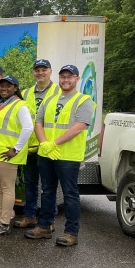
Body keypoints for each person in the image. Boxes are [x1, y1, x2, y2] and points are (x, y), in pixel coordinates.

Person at [25, 64, 94, 247]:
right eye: (63, 77)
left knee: (70, 194)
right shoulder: (50, 100)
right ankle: (44, 226)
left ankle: (71, 232)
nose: (66, 80)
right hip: (47, 153)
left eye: (69, 77)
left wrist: (54, 143)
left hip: (68, 156)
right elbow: (38, 122)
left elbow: (80, 126)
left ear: (77, 79)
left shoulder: (83, 100)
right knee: (47, 191)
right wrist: (44, 144)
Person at [0, 75, 33, 235]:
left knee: (7, 188)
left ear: (15, 88)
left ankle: (4, 223)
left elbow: (28, 128)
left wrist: (15, 149)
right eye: (2, 85)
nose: (4, 88)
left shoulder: (19, 105)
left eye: (8, 86)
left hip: (6, 154)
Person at [14, 59, 60, 229]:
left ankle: (49, 220)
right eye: (37, 70)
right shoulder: (25, 93)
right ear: (33, 72)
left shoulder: (59, 91)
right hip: (30, 146)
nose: (40, 73)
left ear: (50, 71)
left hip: (48, 146)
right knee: (30, 183)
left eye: (44, 70)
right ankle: (29, 216)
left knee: (48, 187)